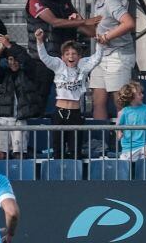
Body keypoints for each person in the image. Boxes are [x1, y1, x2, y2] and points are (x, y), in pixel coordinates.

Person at [25, 0, 100, 106]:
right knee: (39, 101)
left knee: (73, 100)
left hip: (67, 60)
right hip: (43, 60)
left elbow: (84, 28)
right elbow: (54, 22)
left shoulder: (65, 0)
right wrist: (85, 22)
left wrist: (89, 27)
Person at [34, 28, 102, 158]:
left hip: (75, 113)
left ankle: (75, 177)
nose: (71, 56)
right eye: (67, 53)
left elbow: (96, 59)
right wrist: (39, 41)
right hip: (60, 112)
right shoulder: (58, 66)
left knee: (75, 151)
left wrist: (100, 44)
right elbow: (44, 57)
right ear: (62, 57)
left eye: (74, 53)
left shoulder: (83, 66)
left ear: (79, 56)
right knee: (58, 150)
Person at [86, 0, 136, 120]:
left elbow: (128, 23)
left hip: (118, 55)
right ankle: (100, 141)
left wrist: (107, 37)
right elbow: (97, 31)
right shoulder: (99, 1)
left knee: (120, 101)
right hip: (102, 55)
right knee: (98, 100)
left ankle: (127, 140)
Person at [0, 34, 45, 159]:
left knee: (19, 154)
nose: (13, 62)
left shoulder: (28, 74)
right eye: (10, 59)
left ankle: (20, 177)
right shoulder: (4, 75)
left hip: (20, 119)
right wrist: (1, 48)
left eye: (15, 59)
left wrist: (8, 45)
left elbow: (27, 61)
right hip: (3, 119)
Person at [116, 82, 146, 161]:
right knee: (125, 165)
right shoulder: (123, 112)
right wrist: (119, 132)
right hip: (129, 145)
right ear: (131, 97)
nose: (142, 95)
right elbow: (118, 125)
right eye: (139, 94)